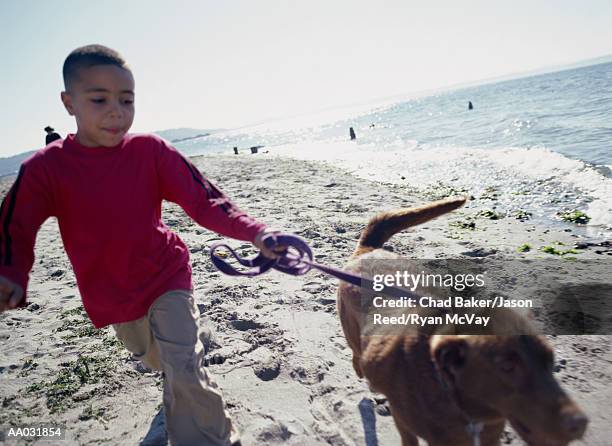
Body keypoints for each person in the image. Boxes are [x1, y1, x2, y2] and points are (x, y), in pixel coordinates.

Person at [0, 44, 285, 446]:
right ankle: (173, 371)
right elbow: (15, 225)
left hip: (166, 274)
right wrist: (11, 273)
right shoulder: (46, 169)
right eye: (99, 99)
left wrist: (255, 232)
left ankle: (214, 437)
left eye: (127, 99)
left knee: (184, 366)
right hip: (113, 294)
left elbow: (205, 199)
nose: (116, 110)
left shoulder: (150, 152)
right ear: (69, 103)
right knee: (158, 361)